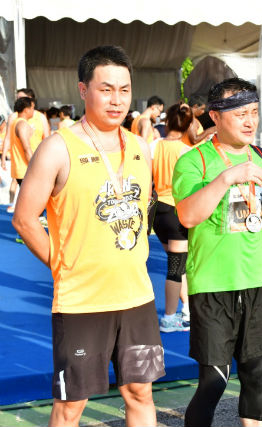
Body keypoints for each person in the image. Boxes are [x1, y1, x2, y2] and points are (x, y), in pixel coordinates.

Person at [12, 45, 164, 427]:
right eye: (106, 89)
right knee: (71, 406)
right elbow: (25, 219)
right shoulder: (57, 148)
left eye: (124, 90)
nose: (117, 100)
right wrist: (61, 264)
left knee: (140, 393)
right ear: (84, 90)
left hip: (137, 298)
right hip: (81, 302)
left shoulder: (140, 148)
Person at [173, 78, 262, 427]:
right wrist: (226, 178)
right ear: (215, 116)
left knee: (255, 376)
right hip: (212, 284)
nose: (250, 121)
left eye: (254, 112)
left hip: (256, 280)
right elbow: (187, 216)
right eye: (240, 114)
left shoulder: (260, 157)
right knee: (214, 381)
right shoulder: (194, 161)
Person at [152, 103, 195, 333]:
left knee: (179, 265)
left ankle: (186, 310)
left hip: (158, 211)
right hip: (176, 211)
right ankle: (169, 317)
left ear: (167, 121)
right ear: (188, 125)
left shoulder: (154, 145)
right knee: (176, 268)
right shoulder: (186, 151)